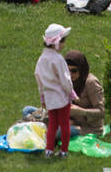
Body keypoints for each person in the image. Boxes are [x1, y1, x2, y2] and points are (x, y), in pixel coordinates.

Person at [35, 23, 77, 159]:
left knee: (52, 124)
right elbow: (66, 81)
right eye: (63, 41)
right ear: (57, 43)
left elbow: (38, 78)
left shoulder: (41, 59)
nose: (65, 44)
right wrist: (70, 92)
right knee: (64, 124)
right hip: (62, 97)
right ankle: (64, 151)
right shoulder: (58, 59)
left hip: (49, 97)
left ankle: (49, 150)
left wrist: (42, 97)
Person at [64, 50, 104, 136]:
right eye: (67, 70)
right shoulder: (66, 80)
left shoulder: (91, 83)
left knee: (59, 131)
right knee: (28, 110)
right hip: (69, 121)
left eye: (74, 71)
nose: (70, 74)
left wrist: (82, 111)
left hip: (88, 127)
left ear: (81, 69)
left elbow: (101, 112)